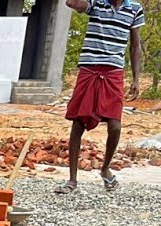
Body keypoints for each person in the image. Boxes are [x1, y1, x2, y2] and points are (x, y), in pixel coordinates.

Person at [56, 0, 145, 194]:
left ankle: (105, 169)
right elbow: (71, 3)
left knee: (115, 125)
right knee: (78, 123)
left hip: (114, 73)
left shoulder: (134, 9)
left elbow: (135, 46)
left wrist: (136, 79)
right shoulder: (96, 3)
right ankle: (72, 180)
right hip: (89, 69)